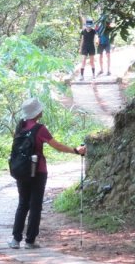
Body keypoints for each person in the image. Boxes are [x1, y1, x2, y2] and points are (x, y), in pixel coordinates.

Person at [10, 97, 85, 249]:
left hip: (21, 170)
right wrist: (76, 151)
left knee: (23, 203)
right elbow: (56, 146)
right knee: (35, 205)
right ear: (37, 113)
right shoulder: (40, 129)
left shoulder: (20, 127)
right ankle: (30, 241)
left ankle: (15, 240)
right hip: (38, 171)